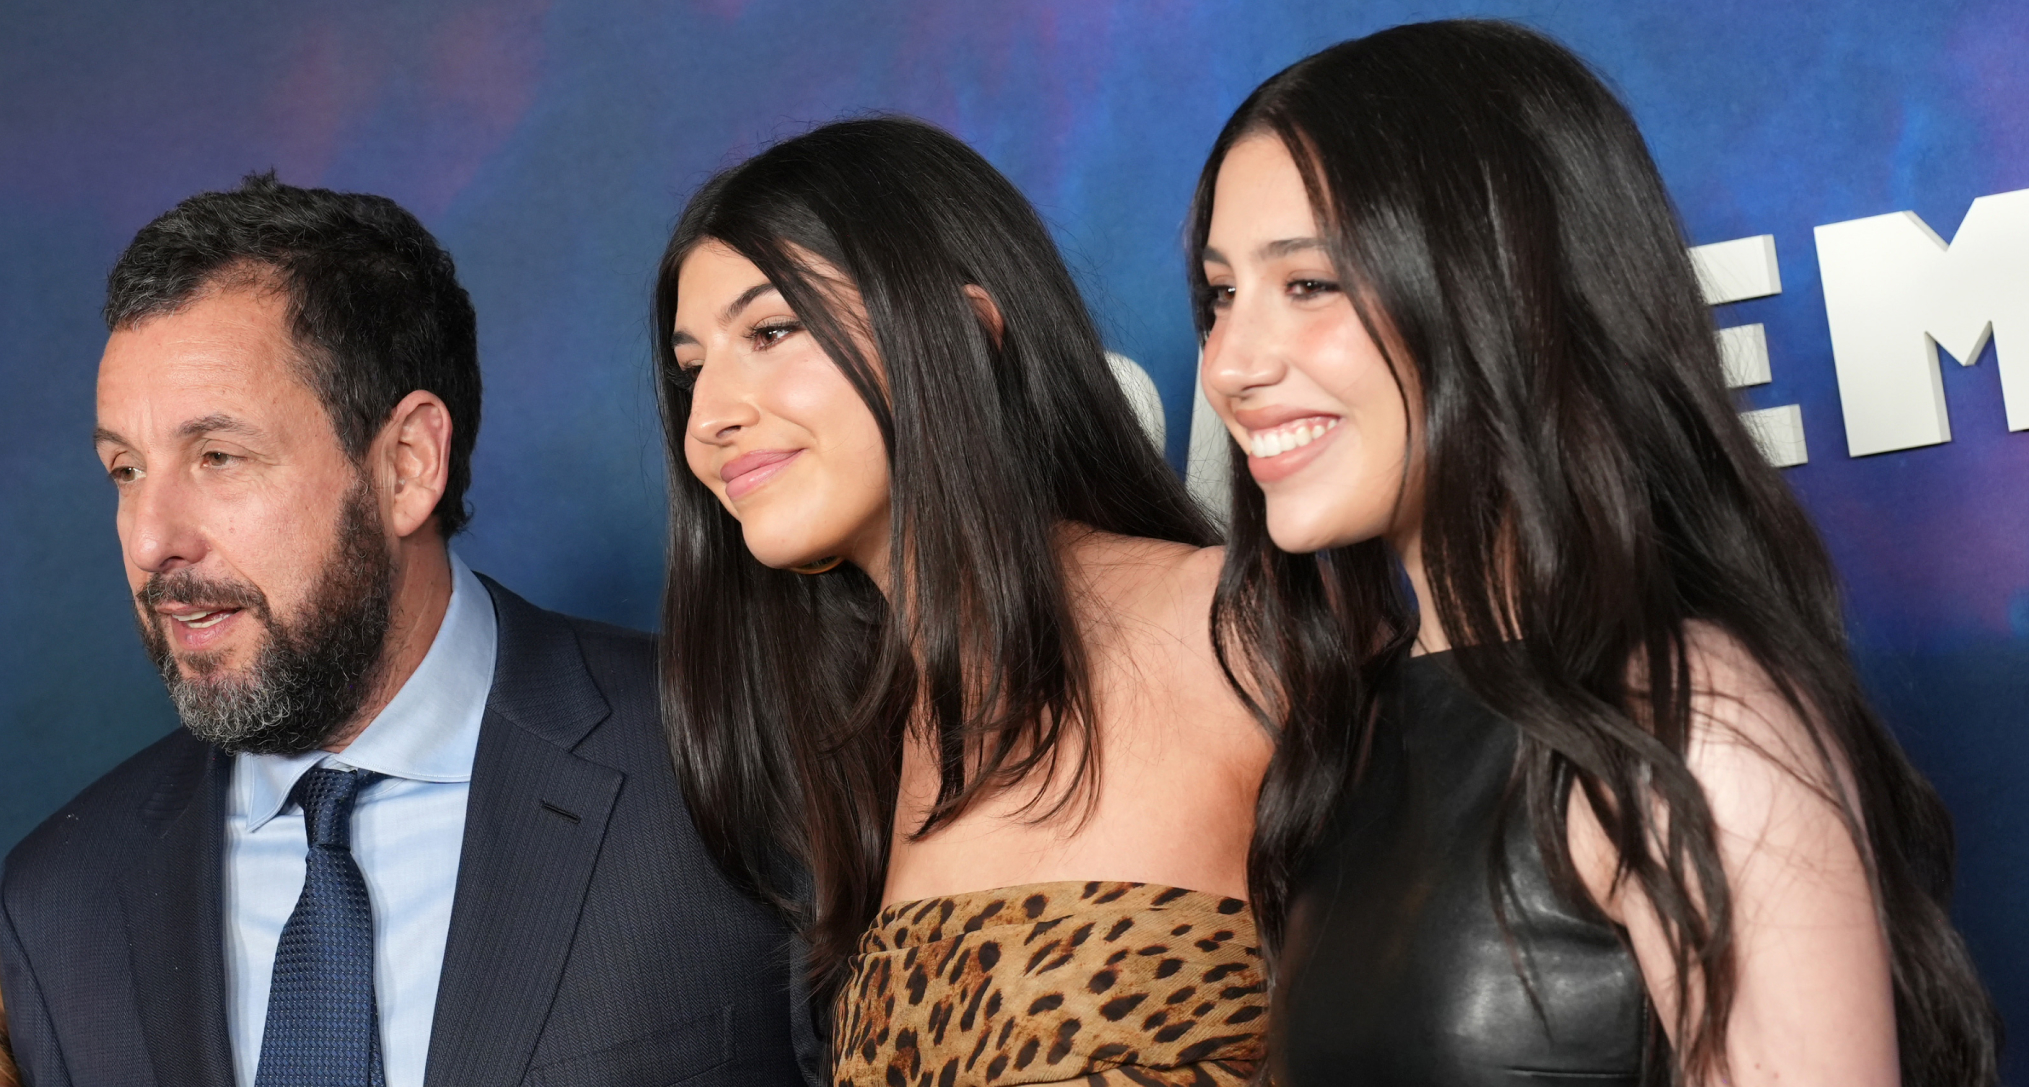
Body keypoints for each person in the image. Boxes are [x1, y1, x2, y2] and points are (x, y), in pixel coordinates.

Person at [1190, 20, 2000, 1087]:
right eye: (1218, 296)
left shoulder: (1686, 719)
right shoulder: (1353, 733)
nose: (1231, 364)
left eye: (1308, 285)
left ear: (1501, 289)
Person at [0, 174, 803, 1087]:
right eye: (126, 469)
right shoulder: (55, 904)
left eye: (218, 457)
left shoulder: (743, 757)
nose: (150, 541)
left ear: (409, 464)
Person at [653, 117, 1274, 1087]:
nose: (709, 421)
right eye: (692, 371)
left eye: (770, 331)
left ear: (962, 332)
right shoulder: (846, 749)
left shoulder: (1234, 635)